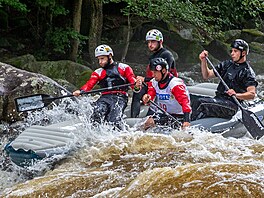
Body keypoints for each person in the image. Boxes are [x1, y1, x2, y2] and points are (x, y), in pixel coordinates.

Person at [73, 44, 139, 129]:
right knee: (96, 112)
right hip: (105, 97)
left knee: (113, 120)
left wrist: (137, 85)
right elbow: (89, 84)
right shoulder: (98, 72)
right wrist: (81, 91)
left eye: (102, 58)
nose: (100, 62)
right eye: (99, 59)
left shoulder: (124, 68)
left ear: (110, 56)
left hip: (120, 97)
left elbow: (134, 86)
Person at [191, 39, 258, 120]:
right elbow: (207, 75)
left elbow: (252, 94)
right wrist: (203, 61)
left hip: (232, 105)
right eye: (232, 51)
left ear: (243, 53)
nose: (232, 53)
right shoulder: (227, 64)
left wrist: (236, 95)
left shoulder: (248, 72)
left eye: (235, 51)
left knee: (200, 103)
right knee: (192, 99)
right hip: (219, 99)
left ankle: (189, 128)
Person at [131, 29, 178, 118]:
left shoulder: (167, 55)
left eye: (153, 42)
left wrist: (144, 79)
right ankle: (134, 118)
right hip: (154, 83)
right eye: (148, 42)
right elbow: (153, 77)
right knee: (137, 90)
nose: (150, 45)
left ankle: (151, 116)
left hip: (166, 86)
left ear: (160, 42)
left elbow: (163, 77)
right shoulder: (153, 56)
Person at [138, 57, 191, 130]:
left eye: (155, 73)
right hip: (164, 114)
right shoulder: (154, 82)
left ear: (163, 71)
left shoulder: (175, 84)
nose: (153, 75)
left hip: (179, 116)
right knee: (146, 123)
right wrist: (147, 97)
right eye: (152, 72)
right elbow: (150, 94)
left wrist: (186, 120)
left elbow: (185, 102)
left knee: (150, 122)